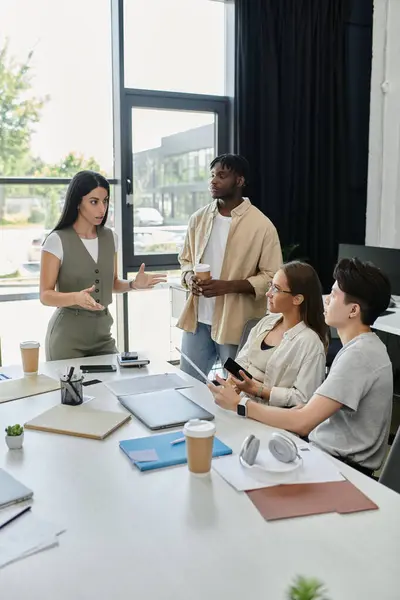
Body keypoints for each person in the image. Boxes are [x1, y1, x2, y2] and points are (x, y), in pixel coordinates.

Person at [209, 258, 393, 476]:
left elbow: (303, 422)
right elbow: (306, 411)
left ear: (353, 310)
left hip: (339, 467)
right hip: (324, 454)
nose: (326, 300)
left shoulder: (360, 356)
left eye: (333, 295)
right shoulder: (364, 347)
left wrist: (240, 405)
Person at [40, 170, 166, 360]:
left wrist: (133, 285)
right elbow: (45, 295)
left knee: (115, 385)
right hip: (67, 338)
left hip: (103, 336)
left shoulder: (110, 238)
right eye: (94, 202)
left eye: (105, 201)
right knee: (72, 390)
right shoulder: (56, 240)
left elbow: (112, 283)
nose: (102, 209)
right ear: (77, 202)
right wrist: (75, 297)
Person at [178, 153, 282, 381]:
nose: (213, 181)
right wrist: (189, 278)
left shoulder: (262, 226)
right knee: (186, 384)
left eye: (222, 175)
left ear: (240, 181)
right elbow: (185, 261)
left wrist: (228, 286)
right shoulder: (198, 219)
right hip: (198, 320)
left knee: (237, 387)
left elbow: (273, 277)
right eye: (212, 175)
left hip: (236, 324)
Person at [230, 261, 327, 407]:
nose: (268, 294)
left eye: (276, 288)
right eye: (271, 285)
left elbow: (303, 399)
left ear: (297, 299)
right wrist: (232, 383)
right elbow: (241, 362)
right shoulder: (266, 322)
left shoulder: (310, 343)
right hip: (240, 404)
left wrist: (259, 390)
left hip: (270, 418)